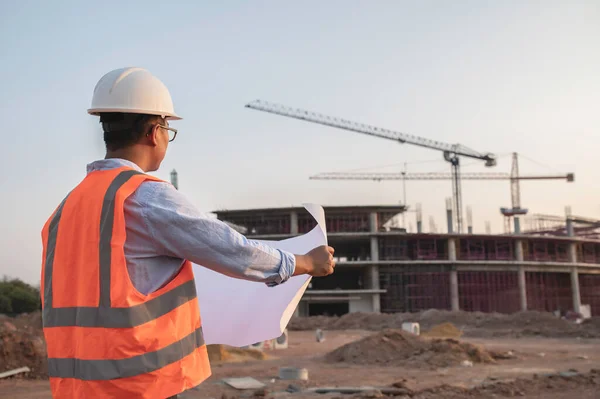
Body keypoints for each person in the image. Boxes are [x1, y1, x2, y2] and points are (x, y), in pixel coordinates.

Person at [40, 67, 336, 399]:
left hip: (77, 388)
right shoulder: (144, 197)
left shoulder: (66, 209)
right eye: (169, 130)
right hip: (137, 384)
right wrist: (305, 262)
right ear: (155, 132)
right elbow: (232, 251)